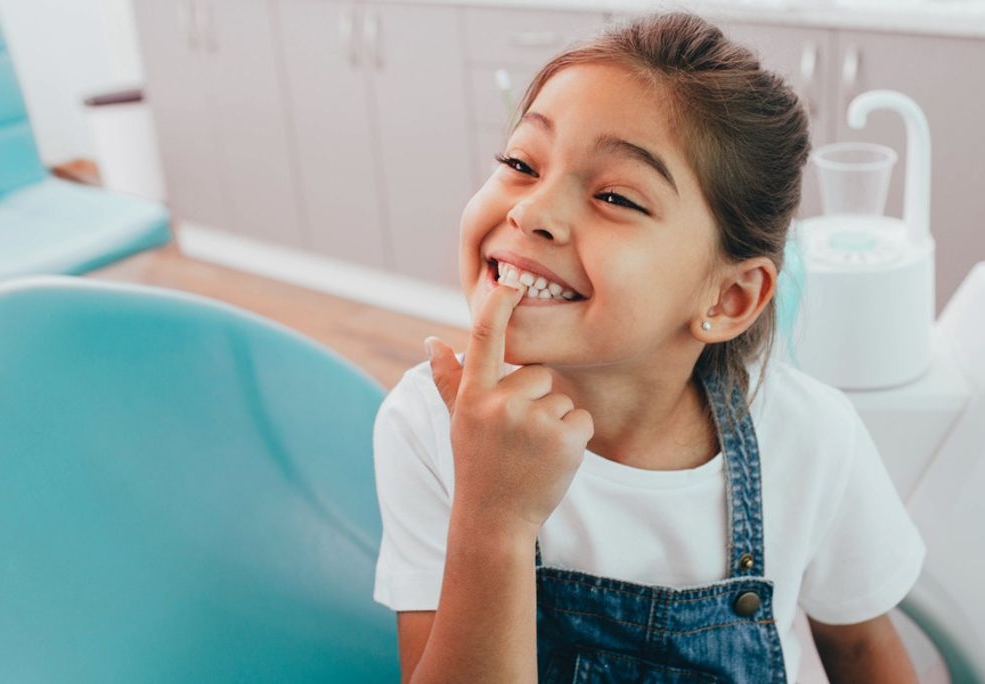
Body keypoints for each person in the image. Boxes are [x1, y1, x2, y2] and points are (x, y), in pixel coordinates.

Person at [371, 11, 924, 683]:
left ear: (728, 300)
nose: (531, 212)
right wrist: (493, 519)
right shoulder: (430, 423)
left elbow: (864, 653)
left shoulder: (813, 440)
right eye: (521, 162)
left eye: (614, 197)